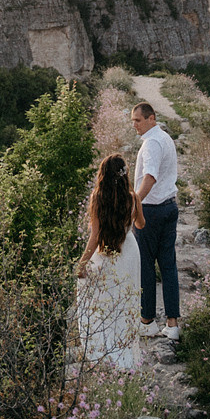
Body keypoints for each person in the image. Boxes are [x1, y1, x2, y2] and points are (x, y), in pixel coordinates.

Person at [75, 153, 146, 369]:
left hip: (105, 252)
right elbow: (141, 224)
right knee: (126, 303)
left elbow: (94, 236)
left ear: (103, 175)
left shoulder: (97, 198)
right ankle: (125, 354)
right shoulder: (133, 198)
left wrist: (82, 263)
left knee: (102, 302)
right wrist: (133, 216)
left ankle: (103, 352)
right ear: (124, 175)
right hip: (130, 251)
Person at [131, 100, 181, 341]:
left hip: (150, 212)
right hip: (170, 206)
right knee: (169, 266)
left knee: (146, 267)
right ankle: (172, 325)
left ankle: (148, 321)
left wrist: (135, 204)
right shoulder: (166, 138)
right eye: (133, 121)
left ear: (151, 118)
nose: (135, 126)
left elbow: (149, 177)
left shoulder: (151, 142)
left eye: (138, 121)